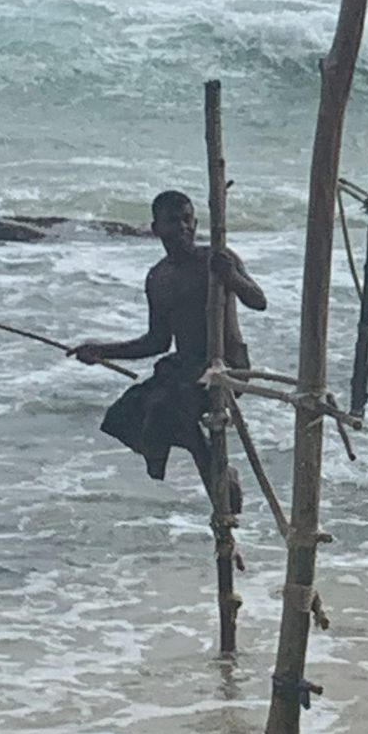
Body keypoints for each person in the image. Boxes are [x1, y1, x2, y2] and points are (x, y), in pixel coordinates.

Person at [71, 189, 266, 503]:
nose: (183, 228)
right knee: (125, 412)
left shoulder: (216, 259)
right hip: (186, 368)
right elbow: (157, 341)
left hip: (227, 365)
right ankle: (215, 474)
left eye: (188, 220)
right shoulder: (159, 277)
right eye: (173, 221)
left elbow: (259, 301)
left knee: (169, 405)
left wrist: (231, 277)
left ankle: (220, 481)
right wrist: (102, 350)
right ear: (156, 229)